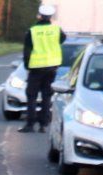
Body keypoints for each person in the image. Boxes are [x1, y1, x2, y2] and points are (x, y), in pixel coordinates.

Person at [19, 4, 66, 133]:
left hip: (36, 68)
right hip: (51, 68)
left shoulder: (32, 31)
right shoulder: (57, 30)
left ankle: (30, 124)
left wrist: (27, 65)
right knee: (47, 96)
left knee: (32, 96)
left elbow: (27, 51)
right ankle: (43, 124)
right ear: (51, 17)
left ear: (39, 16)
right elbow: (62, 39)